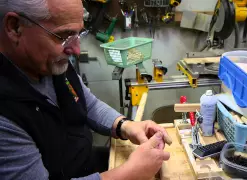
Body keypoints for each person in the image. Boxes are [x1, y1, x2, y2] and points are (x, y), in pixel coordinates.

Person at [0, 0, 171, 179]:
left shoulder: (48, 62)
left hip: (85, 163)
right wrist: (129, 173)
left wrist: (125, 126)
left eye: (78, 34)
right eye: (64, 36)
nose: (76, 49)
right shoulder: (5, 113)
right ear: (15, 27)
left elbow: (86, 103)